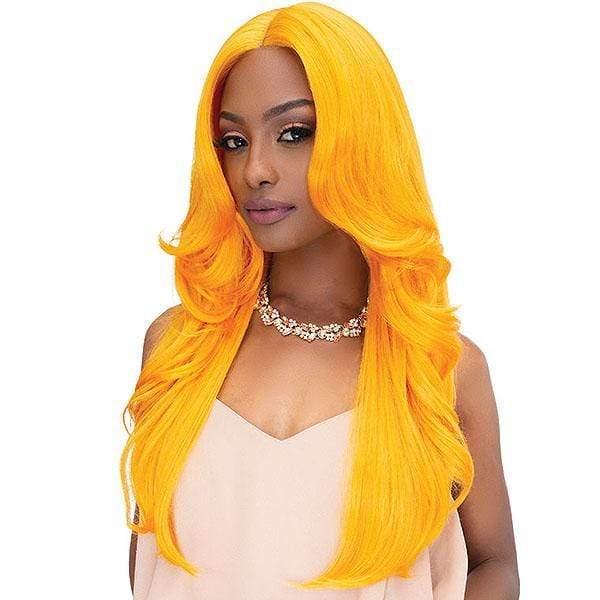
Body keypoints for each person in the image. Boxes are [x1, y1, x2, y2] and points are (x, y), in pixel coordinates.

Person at [121, 3, 519, 598]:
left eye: (294, 134)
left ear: (365, 139)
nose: (255, 169)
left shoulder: (440, 369)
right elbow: (152, 563)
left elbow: (493, 566)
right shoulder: (179, 348)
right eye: (233, 141)